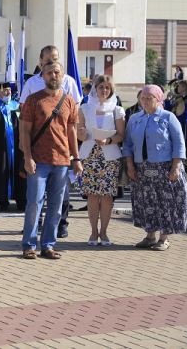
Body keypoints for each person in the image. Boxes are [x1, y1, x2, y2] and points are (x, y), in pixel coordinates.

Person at [20, 60, 81, 260]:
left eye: (56, 73)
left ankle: (48, 245)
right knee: (34, 203)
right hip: (38, 161)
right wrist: (27, 157)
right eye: (49, 73)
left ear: (62, 76)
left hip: (62, 161)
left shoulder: (69, 101)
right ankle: (29, 245)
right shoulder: (33, 100)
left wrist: (77, 158)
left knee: (56, 206)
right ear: (43, 76)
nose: (53, 76)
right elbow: (25, 131)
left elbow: (71, 131)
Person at [124, 85, 187, 251]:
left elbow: (179, 142)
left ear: (158, 99)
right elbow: (128, 144)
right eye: (142, 98)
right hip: (142, 168)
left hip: (165, 167)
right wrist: (130, 165)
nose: (144, 101)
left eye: (148, 98)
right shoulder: (135, 118)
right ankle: (150, 236)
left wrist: (176, 166)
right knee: (147, 202)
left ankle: (164, 239)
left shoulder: (168, 117)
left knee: (166, 202)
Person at [77, 75, 125, 246]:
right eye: (101, 87)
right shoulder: (84, 108)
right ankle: (93, 232)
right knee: (91, 195)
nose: (104, 90)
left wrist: (109, 141)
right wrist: (81, 134)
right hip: (89, 156)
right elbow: (79, 134)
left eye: (107, 87)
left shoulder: (117, 110)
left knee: (107, 197)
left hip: (109, 157)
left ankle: (104, 233)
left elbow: (121, 135)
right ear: (94, 89)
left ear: (111, 90)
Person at [0, 82, 23, 211]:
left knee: (19, 171)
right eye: (5, 90)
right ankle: (2, 200)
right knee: (1, 172)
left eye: (9, 90)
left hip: (17, 147)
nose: (8, 93)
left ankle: (20, 199)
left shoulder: (16, 106)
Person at [164, 79, 187, 162]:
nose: (177, 88)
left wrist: (172, 119)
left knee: (186, 152)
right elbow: (169, 110)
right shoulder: (179, 99)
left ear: (184, 88)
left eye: (179, 86)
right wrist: (168, 100)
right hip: (178, 127)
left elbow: (185, 116)